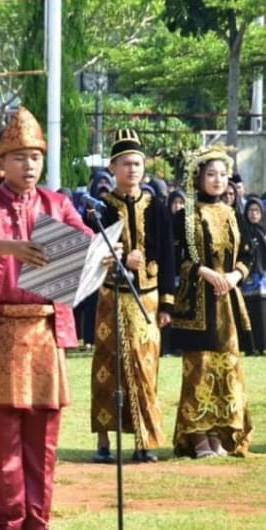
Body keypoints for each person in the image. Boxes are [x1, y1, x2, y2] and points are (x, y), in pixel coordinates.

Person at [0, 106, 83, 530]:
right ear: (1, 162)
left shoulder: (58, 203)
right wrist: (12, 247)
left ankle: (38, 527)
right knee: (3, 433)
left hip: (46, 330)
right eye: (19, 158)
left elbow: (84, 242)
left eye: (35, 157)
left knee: (44, 433)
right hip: (2, 330)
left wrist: (103, 255)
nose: (28, 166)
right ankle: (6, 528)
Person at [89, 129, 175, 464]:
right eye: (126, 164)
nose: (132, 170)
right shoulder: (100, 210)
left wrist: (167, 303)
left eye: (137, 163)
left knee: (145, 366)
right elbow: (92, 256)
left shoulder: (157, 206)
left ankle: (146, 439)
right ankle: (103, 439)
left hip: (148, 298)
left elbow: (167, 255)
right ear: (112, 168)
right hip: (111, 297)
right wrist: (121, 259)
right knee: (106, 367)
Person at [170, 146, 254, 459]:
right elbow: (173, 258)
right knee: (200, 369)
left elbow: (249, 255)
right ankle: (198, 437)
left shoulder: (234, 214)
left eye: (223, 174)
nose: (218, 180)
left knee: (228, 368)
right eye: (211, 174)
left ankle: (221, 434)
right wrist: (202, 271)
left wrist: (234, 277)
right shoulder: (183, 217)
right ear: (198, 177)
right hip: (197, 303)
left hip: (227, 303)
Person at [240, 197, 266, 356]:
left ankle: (263, 346)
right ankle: (250, 346)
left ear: (262, 212)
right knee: (249, 313)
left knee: (264, 313)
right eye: (250, 210)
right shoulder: (243, 231)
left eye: (257, 211)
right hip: (248, 278)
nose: (254, 214)